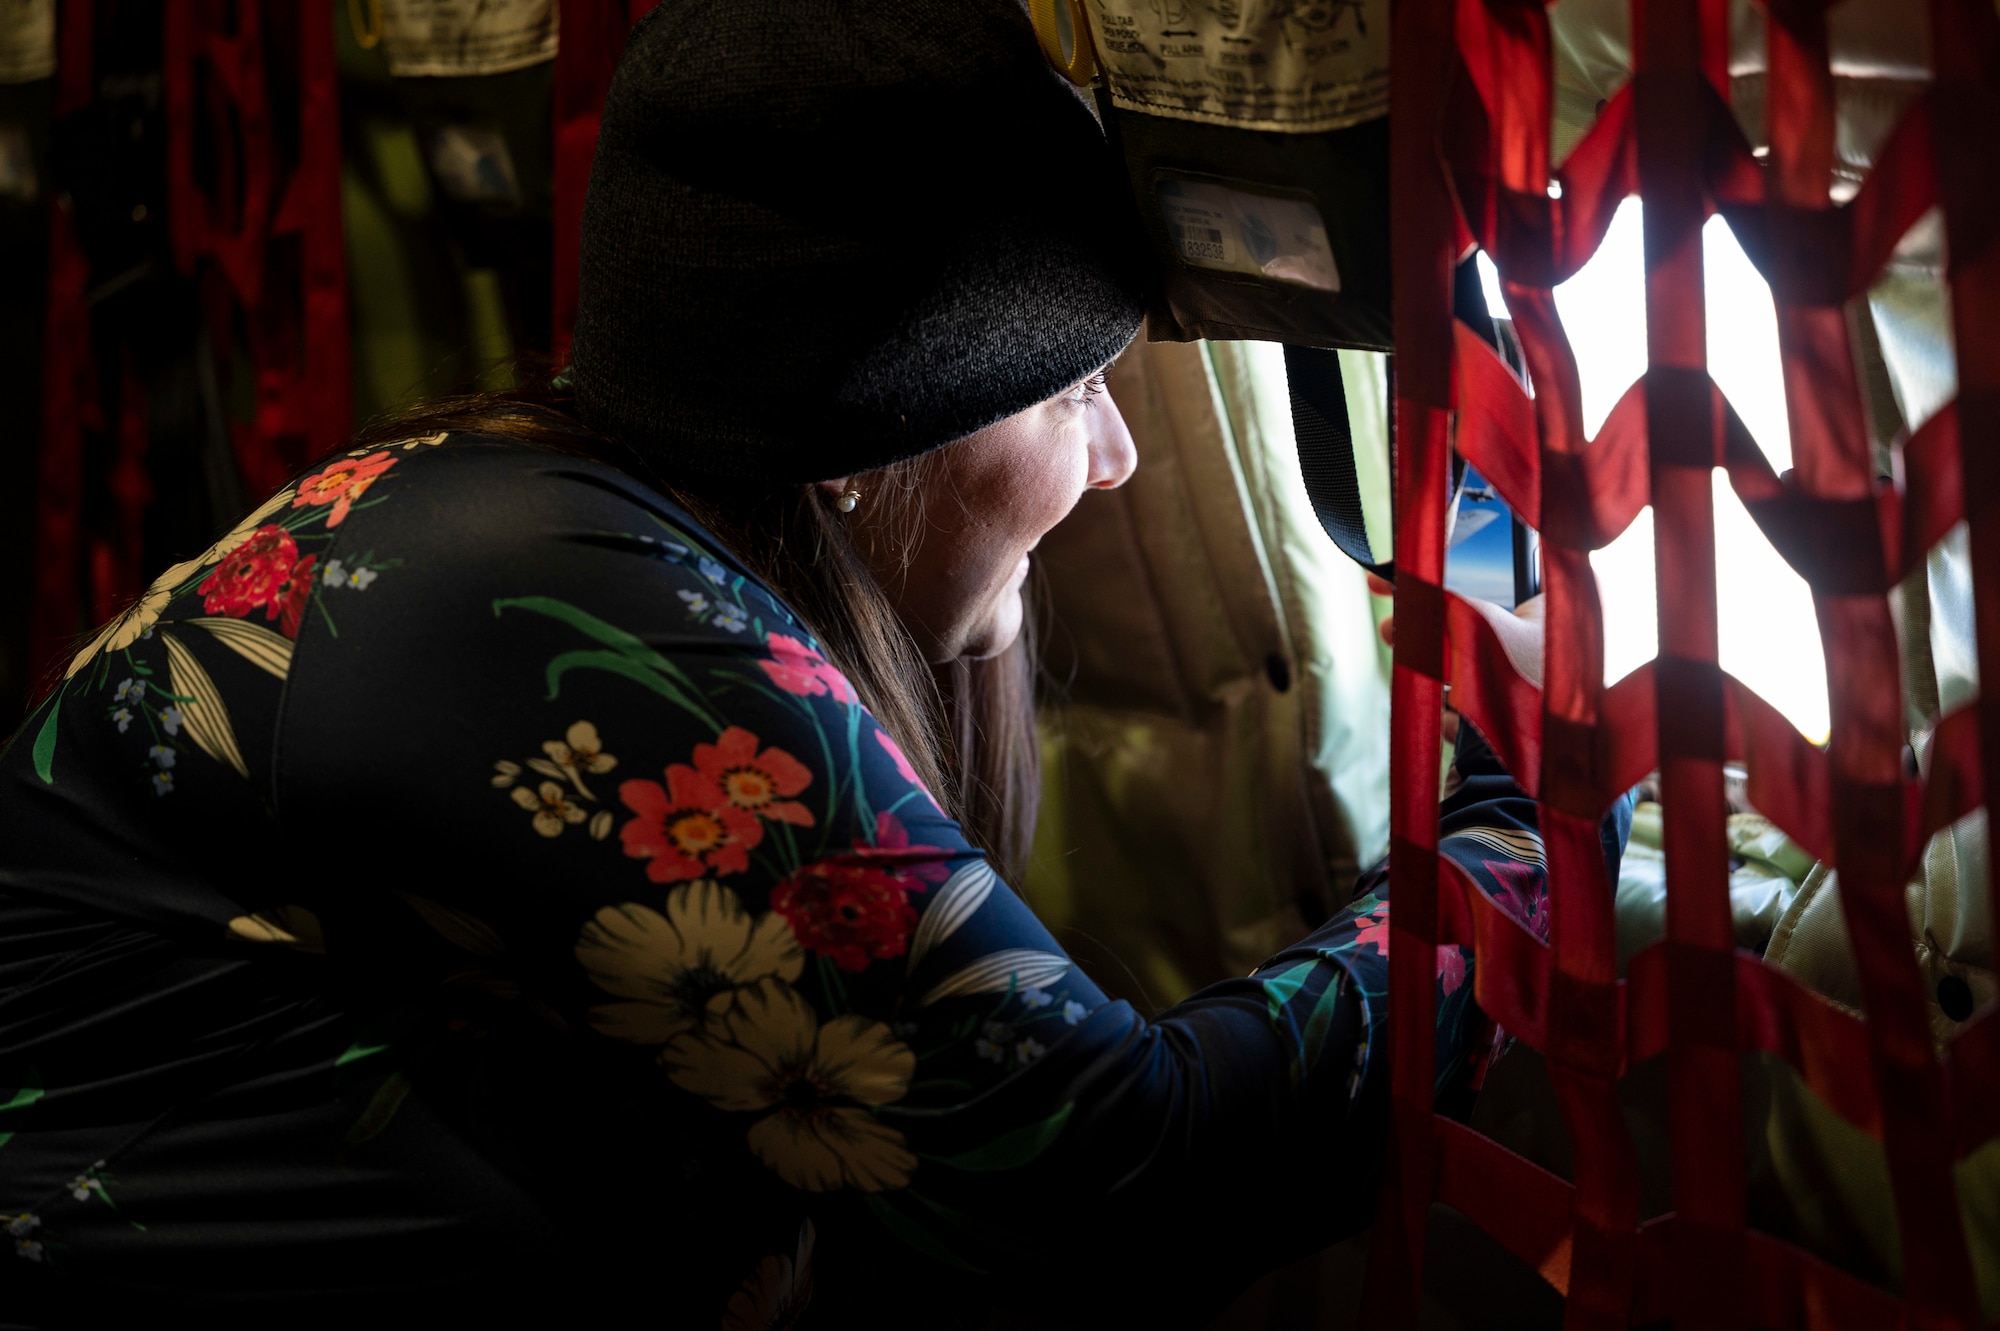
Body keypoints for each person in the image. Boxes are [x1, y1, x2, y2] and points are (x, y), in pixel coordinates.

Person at [0, 2, 1625, 1326]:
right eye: (1071, 394)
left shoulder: (545, 524)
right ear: (857, 437)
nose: (1121, 457)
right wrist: (1543, 824)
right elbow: (1117, 1178)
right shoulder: (554, 630)